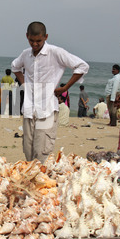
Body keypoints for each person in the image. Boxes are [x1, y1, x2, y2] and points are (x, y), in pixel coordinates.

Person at [11, 21, 89, 163]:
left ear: (46, 37)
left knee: (42, 153)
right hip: (29, 111)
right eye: (31, 41)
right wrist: (24, 84)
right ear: (27, 36)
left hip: (47, 110)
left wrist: (65, 88)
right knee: (28, 152)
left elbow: (82, 66)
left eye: (38, 41)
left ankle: (41, 181)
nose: (35, 44)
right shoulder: (25, 54)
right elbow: (15, 67)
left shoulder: (55, 52)